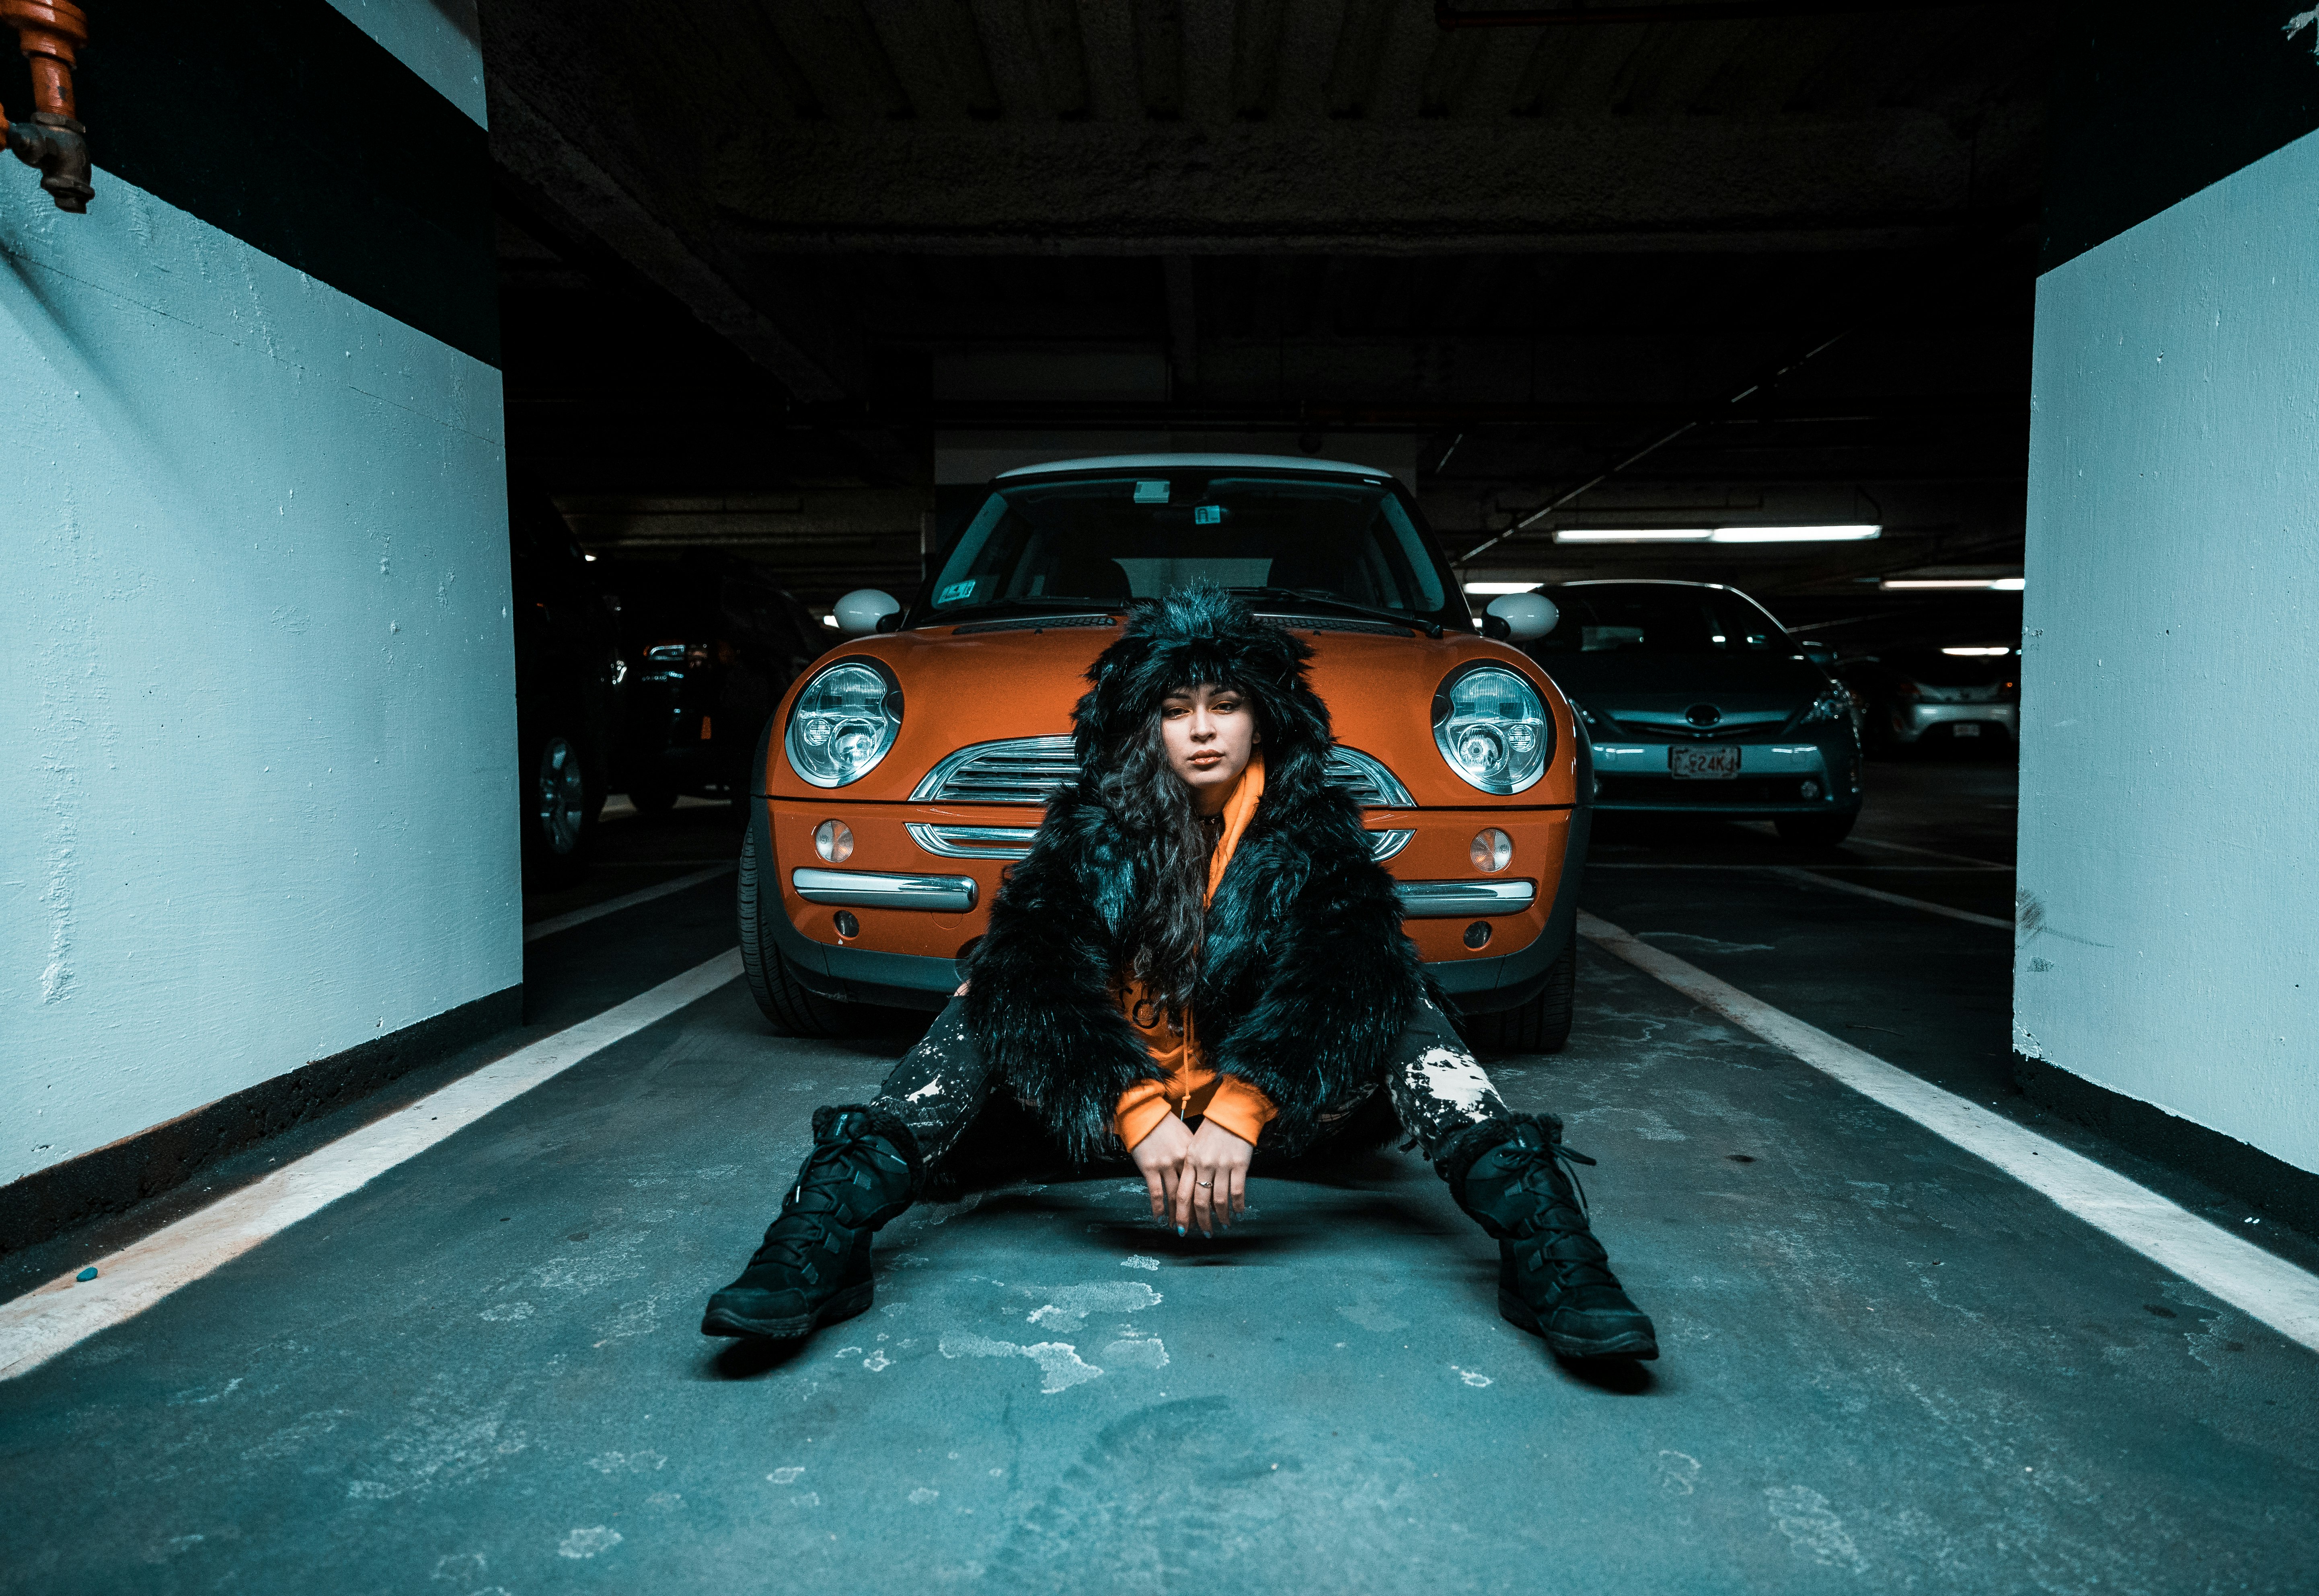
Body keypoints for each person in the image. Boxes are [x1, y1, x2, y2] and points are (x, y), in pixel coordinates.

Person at [701, 585, 1658, 1361]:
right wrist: (1132, 1109)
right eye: (1175, 708)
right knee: (995, 982)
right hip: (1111, 1122)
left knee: (1391, 987)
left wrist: (1244, 1109)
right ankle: (820, 1236)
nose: (1202, 729)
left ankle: (1549, 1246)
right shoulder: (1093, 825)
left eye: (1225, 703)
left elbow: (1342, 973)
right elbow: (1039, 973)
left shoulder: (1309, 827)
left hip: (1275, 1125)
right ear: (1144, 723)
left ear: (1262, 715)